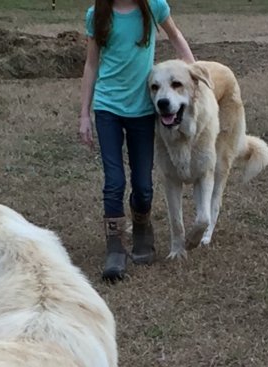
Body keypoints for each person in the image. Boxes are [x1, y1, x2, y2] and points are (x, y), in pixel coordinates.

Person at [79, 0, 195, 281]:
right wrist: (84, 114)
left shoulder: (154, 7)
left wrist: (194, 70)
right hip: (108, 108)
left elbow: (175, 35)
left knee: (143, 185)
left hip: (143, 110)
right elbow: (92, 64)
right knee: (114, 181)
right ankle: (115, 248)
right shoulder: (97, 15)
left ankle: (142, 227)